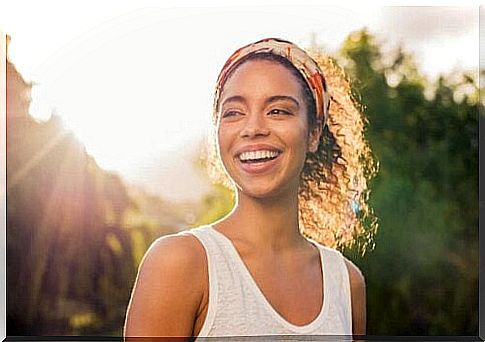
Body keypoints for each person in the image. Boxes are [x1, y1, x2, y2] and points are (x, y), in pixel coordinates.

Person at [124, 37, 377, 338]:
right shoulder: (180, 263)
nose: (253, 128)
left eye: (278, 111)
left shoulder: (347, 284)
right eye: (234, 112)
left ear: (313, 133)